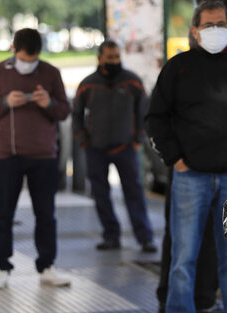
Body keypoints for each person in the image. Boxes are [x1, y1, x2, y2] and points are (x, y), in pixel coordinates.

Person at [146, 1, 227, 312]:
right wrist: (175, 159)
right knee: (183, 258)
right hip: (190, 176)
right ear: (195, 30)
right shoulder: (178, 67)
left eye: (221, 24)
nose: (216, 30)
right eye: (209, 25)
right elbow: (155, 118)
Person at [0, 28, 72, 289]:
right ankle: (0, 267)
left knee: (46, 214)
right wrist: (5, 102)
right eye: (24, 59)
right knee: (3, 214)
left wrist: (49, 103)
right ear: (12, 50)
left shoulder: (51, 73)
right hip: (8, 155)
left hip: (44, 156)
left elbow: (64, 111)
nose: (28, 64)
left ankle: (47, 266)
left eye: (33, 60)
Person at [72, 40, 157, 253]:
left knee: (134, 193)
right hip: (95, 148)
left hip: (125, 147)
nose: (114, 61)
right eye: (109, 57)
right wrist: (83, 139)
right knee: (100, 194)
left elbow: (143, 112)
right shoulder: (87, 84)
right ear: (99, 58)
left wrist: (138, 138)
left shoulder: (133, 82)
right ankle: (111, 235)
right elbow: (76, 114)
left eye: (117, 57)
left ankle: (145, 238)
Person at [157, 169, 220, 313]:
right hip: (185, 168)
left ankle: (202, 301)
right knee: (181, 239)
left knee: (206, 235)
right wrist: (175, 157)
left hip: (213, 167)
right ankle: (171, 299)